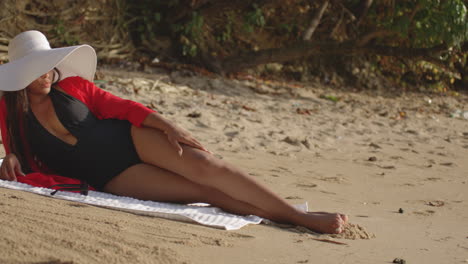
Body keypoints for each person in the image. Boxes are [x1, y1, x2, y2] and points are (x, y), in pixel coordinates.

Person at [0, 30, 348, 234]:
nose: (45, 75)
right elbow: (14, 153)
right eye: (35, 70)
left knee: (211, 168)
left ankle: (300, 215)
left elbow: (122, 107)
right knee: (204, 193)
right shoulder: (11, 113)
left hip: (128, 138)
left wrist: (168, 125)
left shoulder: (73, 86)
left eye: (47, 67)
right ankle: (289, 218)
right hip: (112, 176)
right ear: (19, 75)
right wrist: (11, 157)